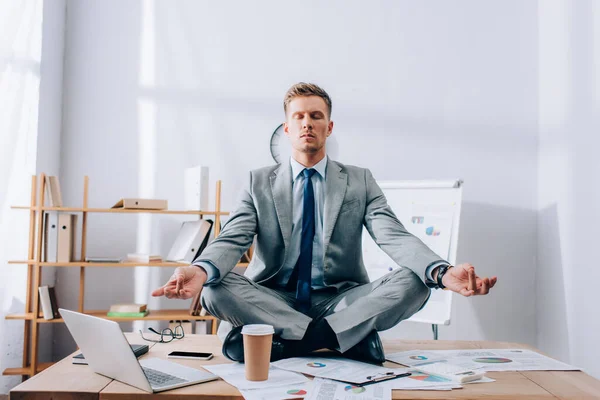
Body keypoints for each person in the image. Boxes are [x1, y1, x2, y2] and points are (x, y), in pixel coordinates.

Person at [152, 82, 497, 364]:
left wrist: (440, 271)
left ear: (328, 127)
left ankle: (287, 341)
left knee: (416, 282)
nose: (307, 123)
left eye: (316, 116)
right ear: (286, 128)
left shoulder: (359, 181)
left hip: (341, 299)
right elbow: (233, 238)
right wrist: (199, 270)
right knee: (214, 288)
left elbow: (393, 235)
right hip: (273, 297)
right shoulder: (257, 182)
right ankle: (343, 339)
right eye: (298, 117)